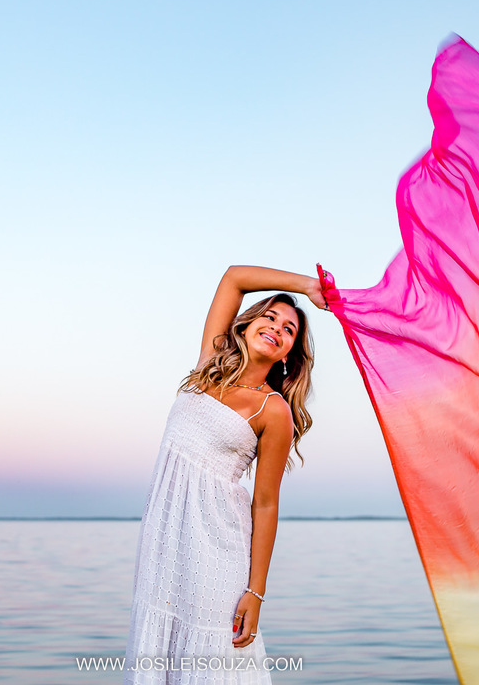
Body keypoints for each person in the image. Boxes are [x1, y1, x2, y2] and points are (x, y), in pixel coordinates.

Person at [123, 265, 326, 684]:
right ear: (246, 325)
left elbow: (265, 504)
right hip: (164, 546)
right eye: (270, 317)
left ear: (287, 354)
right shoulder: (208, 365)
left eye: (288, 329)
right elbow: (234, 277)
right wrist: (307, 287)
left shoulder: (274, 410)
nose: (277, 328)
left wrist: (256, 593)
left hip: (218, 552)